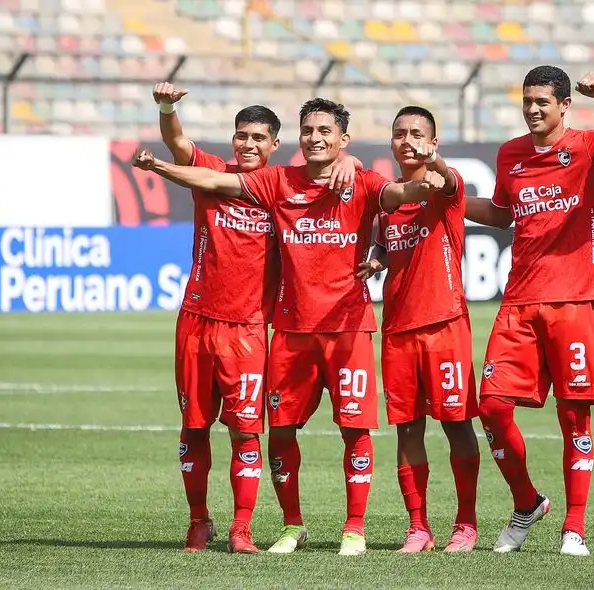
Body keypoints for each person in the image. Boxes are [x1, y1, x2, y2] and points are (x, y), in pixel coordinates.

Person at [133, 97, 444, 556]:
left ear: (340, 139)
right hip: (272, 328)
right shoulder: (274, 182)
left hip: (324, 328)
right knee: (257, 429)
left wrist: (422, 183)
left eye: (324, 132)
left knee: (343, 430)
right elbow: (207, 172)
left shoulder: (353, 178)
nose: (315, 138)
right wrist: (159, 162)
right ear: (295, 140)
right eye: (309, 131)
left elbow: (396, 195)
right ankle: (270, 524)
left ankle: (347, 529)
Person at [151, 83, 357, 554]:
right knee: (194, 428)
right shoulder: (212, 172)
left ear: (274, 145)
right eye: (241, 136)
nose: (248, 145)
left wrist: (352, 159)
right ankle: (199, 521)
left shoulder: (282, 185)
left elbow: (338, 167)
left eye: (258, 138)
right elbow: (177, 144)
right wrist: (166, 107)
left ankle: (242, 527)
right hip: (197, 321)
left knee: (247, 430)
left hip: (248, 329)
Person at [464, 66, 594, 556]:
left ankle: (574, 526)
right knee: (491, 406)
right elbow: (503, 215)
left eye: (542, 101)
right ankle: (527, 502)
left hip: (575, 300)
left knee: (574, 416)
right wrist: (453, 199)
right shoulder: (510, 154)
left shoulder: (589, 147)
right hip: (520, 300)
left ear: (565, 104)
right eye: (527, 101)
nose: (532, 109)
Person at [355, 106, 480, 553]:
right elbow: (385, 243)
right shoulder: (389, 201)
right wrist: (376, 259)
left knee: (457, 424)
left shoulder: (446, 190)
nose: (408, 140)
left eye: (417, 134)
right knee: (407, 428)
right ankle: (418, 526)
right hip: (398, 330)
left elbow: (448, 181)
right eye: (400, 134)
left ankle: (466, 524)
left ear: (433, 140)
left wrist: (438, 163)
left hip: (445, 324)